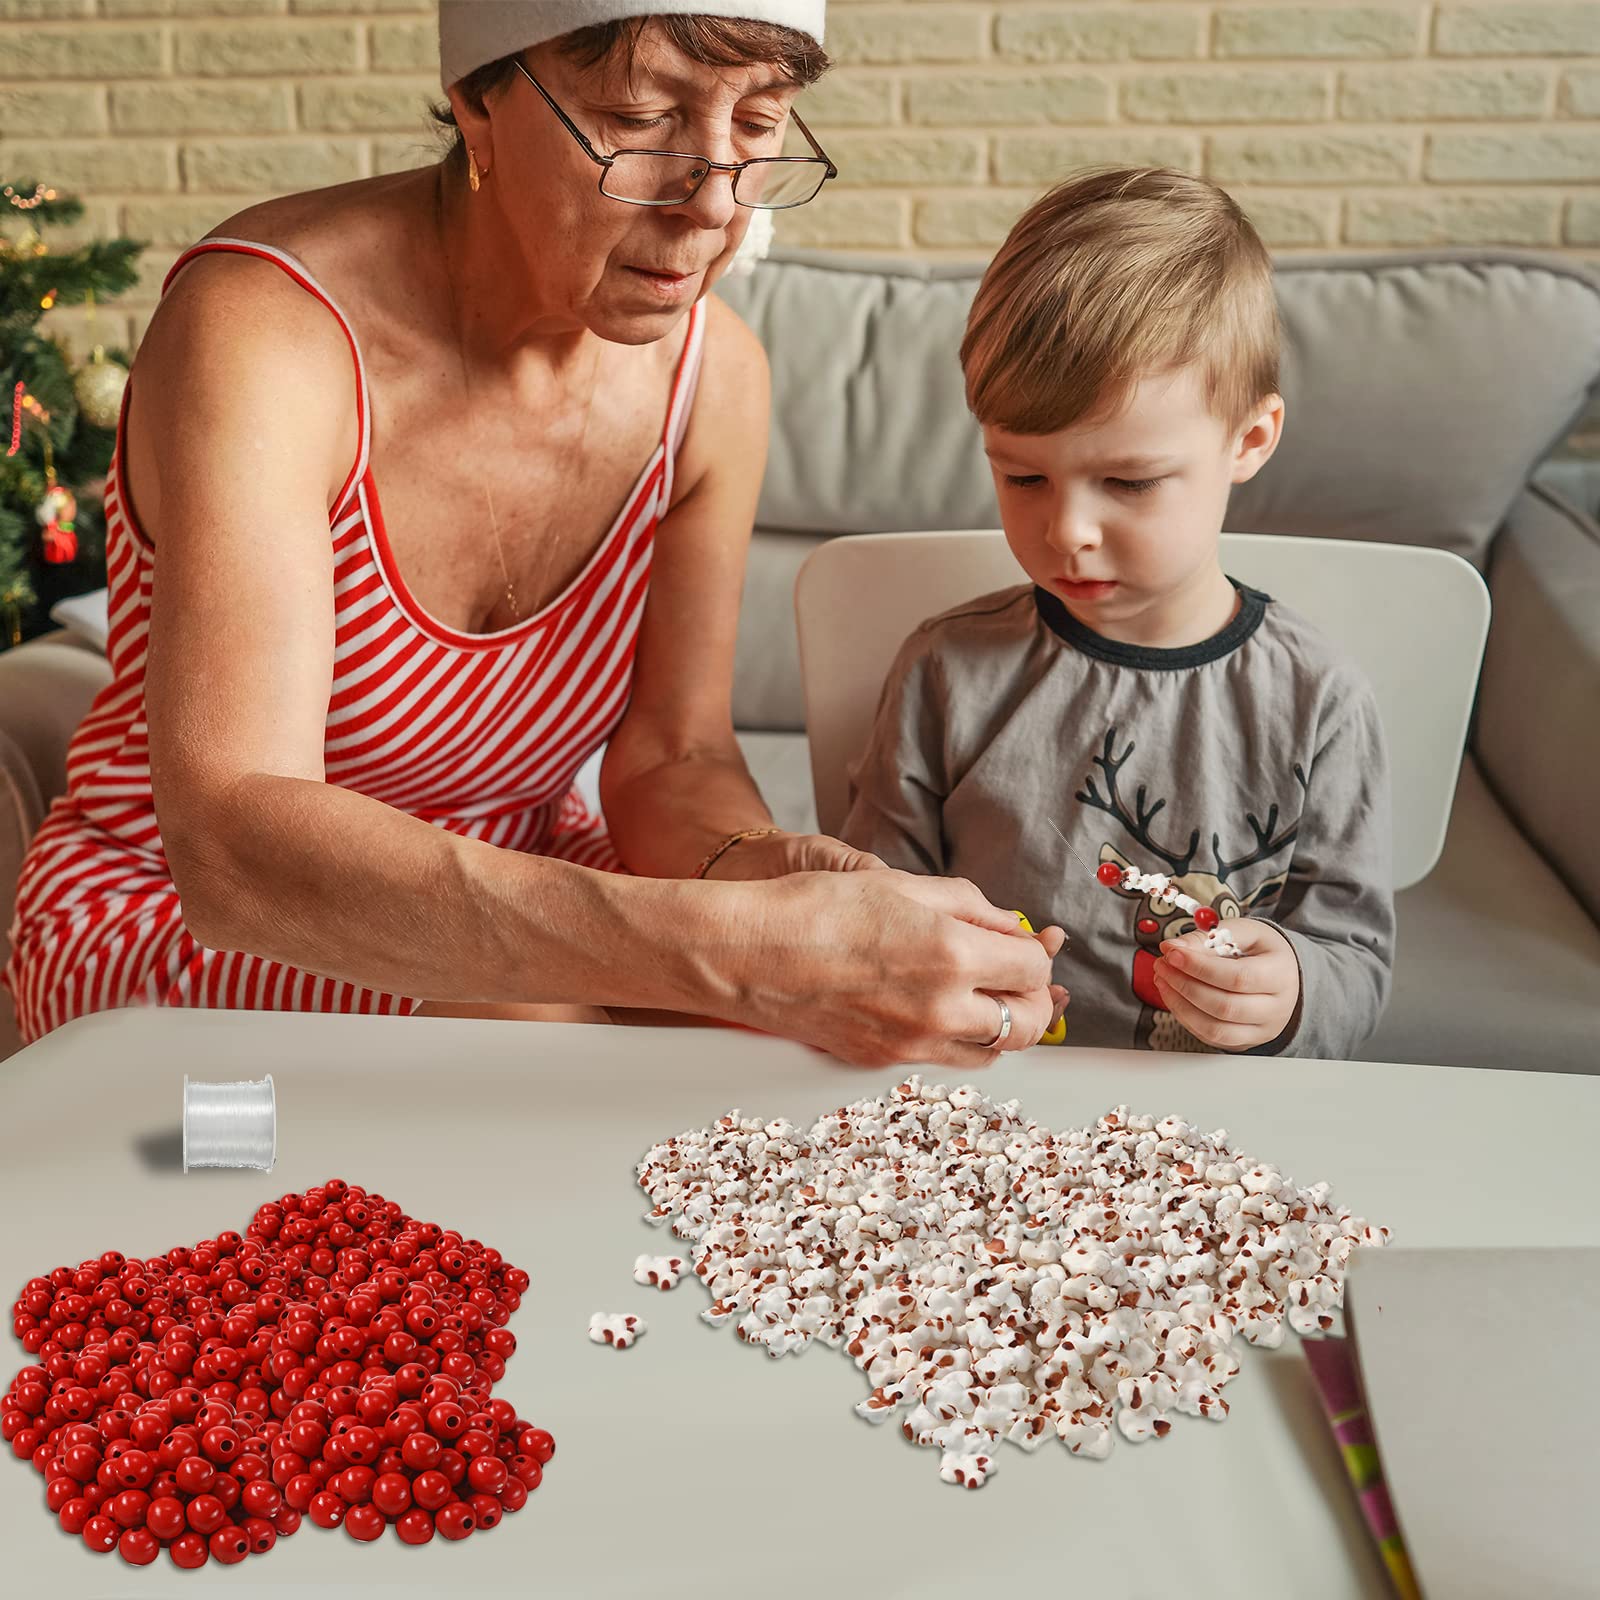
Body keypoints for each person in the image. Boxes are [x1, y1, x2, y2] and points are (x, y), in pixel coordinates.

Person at [2, 0, 1063, 1068]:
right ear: (479, 101)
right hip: (178, 915)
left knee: (794, 1044)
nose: (713, 203)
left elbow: (670, 757)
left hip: (535, 892)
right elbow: (236, 848)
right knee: (537, 1036)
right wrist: (731, 947)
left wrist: (768, 877)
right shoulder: (265, 332)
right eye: (641, 119)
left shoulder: (715, 378)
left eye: (757, 124)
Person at [841, 167, 1395, 1057]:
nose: (1068, 531)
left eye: (1130, 482)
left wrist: (1292, 991)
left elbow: (1356, 961)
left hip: (1216, 1117)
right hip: (986, 1092)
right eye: (1023, 475)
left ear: (1250, 440)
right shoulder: (945, 671)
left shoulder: (1318, 700)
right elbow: (873, 910)